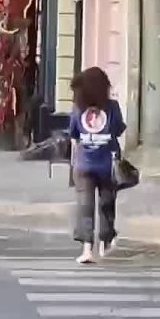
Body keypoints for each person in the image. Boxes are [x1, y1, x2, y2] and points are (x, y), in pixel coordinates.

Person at [68, 67, 126, 264]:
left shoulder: (78, 108)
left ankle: (87, 249)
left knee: (85, 206)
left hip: (84, 163)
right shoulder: (112, 107)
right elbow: (118, 129)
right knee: (107, 204)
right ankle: (105, 243)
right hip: (107, 163)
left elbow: (73, 134)